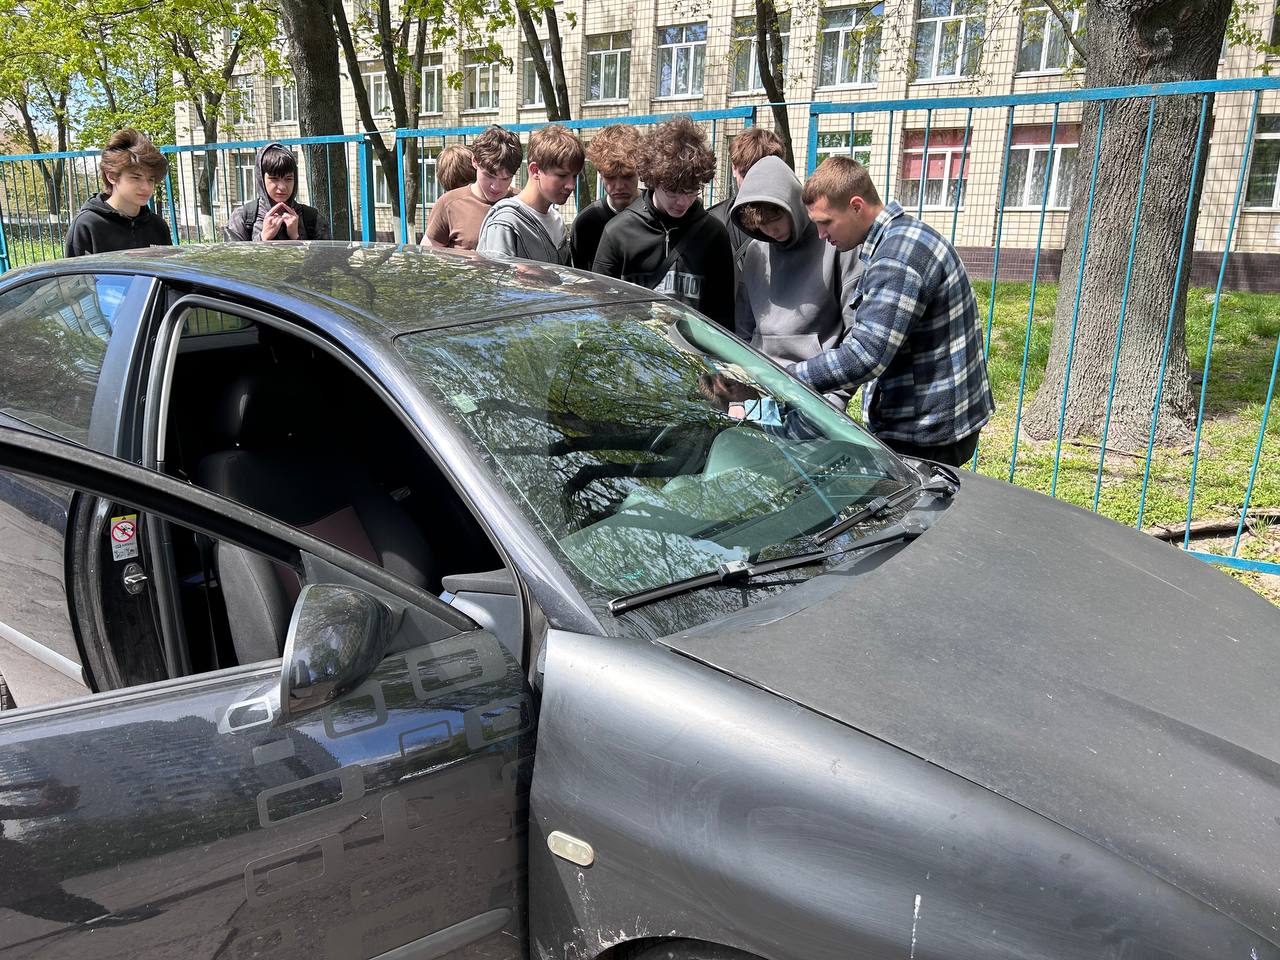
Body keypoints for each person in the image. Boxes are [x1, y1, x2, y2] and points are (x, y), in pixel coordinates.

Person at [792, 156, 994, 466]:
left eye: (826, 222)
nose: (821, 234)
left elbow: (864, 356)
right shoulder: (903, 236)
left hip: (927, 435)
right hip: (936, 419)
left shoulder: (898, 258)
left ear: (856, 206)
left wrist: (783, 379)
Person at [592, 116, 734, 329]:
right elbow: (600, 311)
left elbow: (723, 317)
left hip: (695, 348)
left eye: (691, 191)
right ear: (653, 180)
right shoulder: (617, 232)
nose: (683, 202)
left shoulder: (713, 234)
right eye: (673, 192)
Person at [730, 155, 862, 373]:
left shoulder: (835, 242)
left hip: (817, 382)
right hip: (760, 378)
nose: (771, 230)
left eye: (776, 219)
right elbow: (743, 328)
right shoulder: (755, 252)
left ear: (793, 204)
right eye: (762, 224)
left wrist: (837, 388)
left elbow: (854, 330)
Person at [476, 124, 583, 265]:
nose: (571, 185)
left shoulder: (556, 220)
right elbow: (495, 276)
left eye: (575, 176)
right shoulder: (505, 222)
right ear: (535, 170)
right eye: (562, 175)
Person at [64, 129, 172, 257]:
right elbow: (76, 270)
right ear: (112, 176)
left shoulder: (158, 226)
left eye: (151, 179)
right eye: (136, 178)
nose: (146, 187)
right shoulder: (86, 225)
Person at [707, 127, 786, 288]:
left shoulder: (795, 223)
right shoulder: (711, 222)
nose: (752, 185)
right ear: (733, 169)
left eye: (760, 176)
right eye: (746, 175)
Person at [424, 125, 522, 250]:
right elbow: (429, 255)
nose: (496, 186)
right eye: (489, 176)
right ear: (474, 161)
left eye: (505, 179)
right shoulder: (448, 204)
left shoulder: (523, 204)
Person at [223, 142, 330, 241]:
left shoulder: (312, 218)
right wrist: (263, 237)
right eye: (274, 178)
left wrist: (296, 237)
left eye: (288, 179)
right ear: (261, 179)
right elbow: (232, 255)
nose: (282, 187)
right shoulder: (243, 217)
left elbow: (325, 254)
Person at [570, 124, 641, 270]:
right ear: (600, 174)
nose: (619, 186)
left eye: (627, 176)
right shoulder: (585, 224)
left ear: (639, 170)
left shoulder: (659, 212)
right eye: (610, 177)